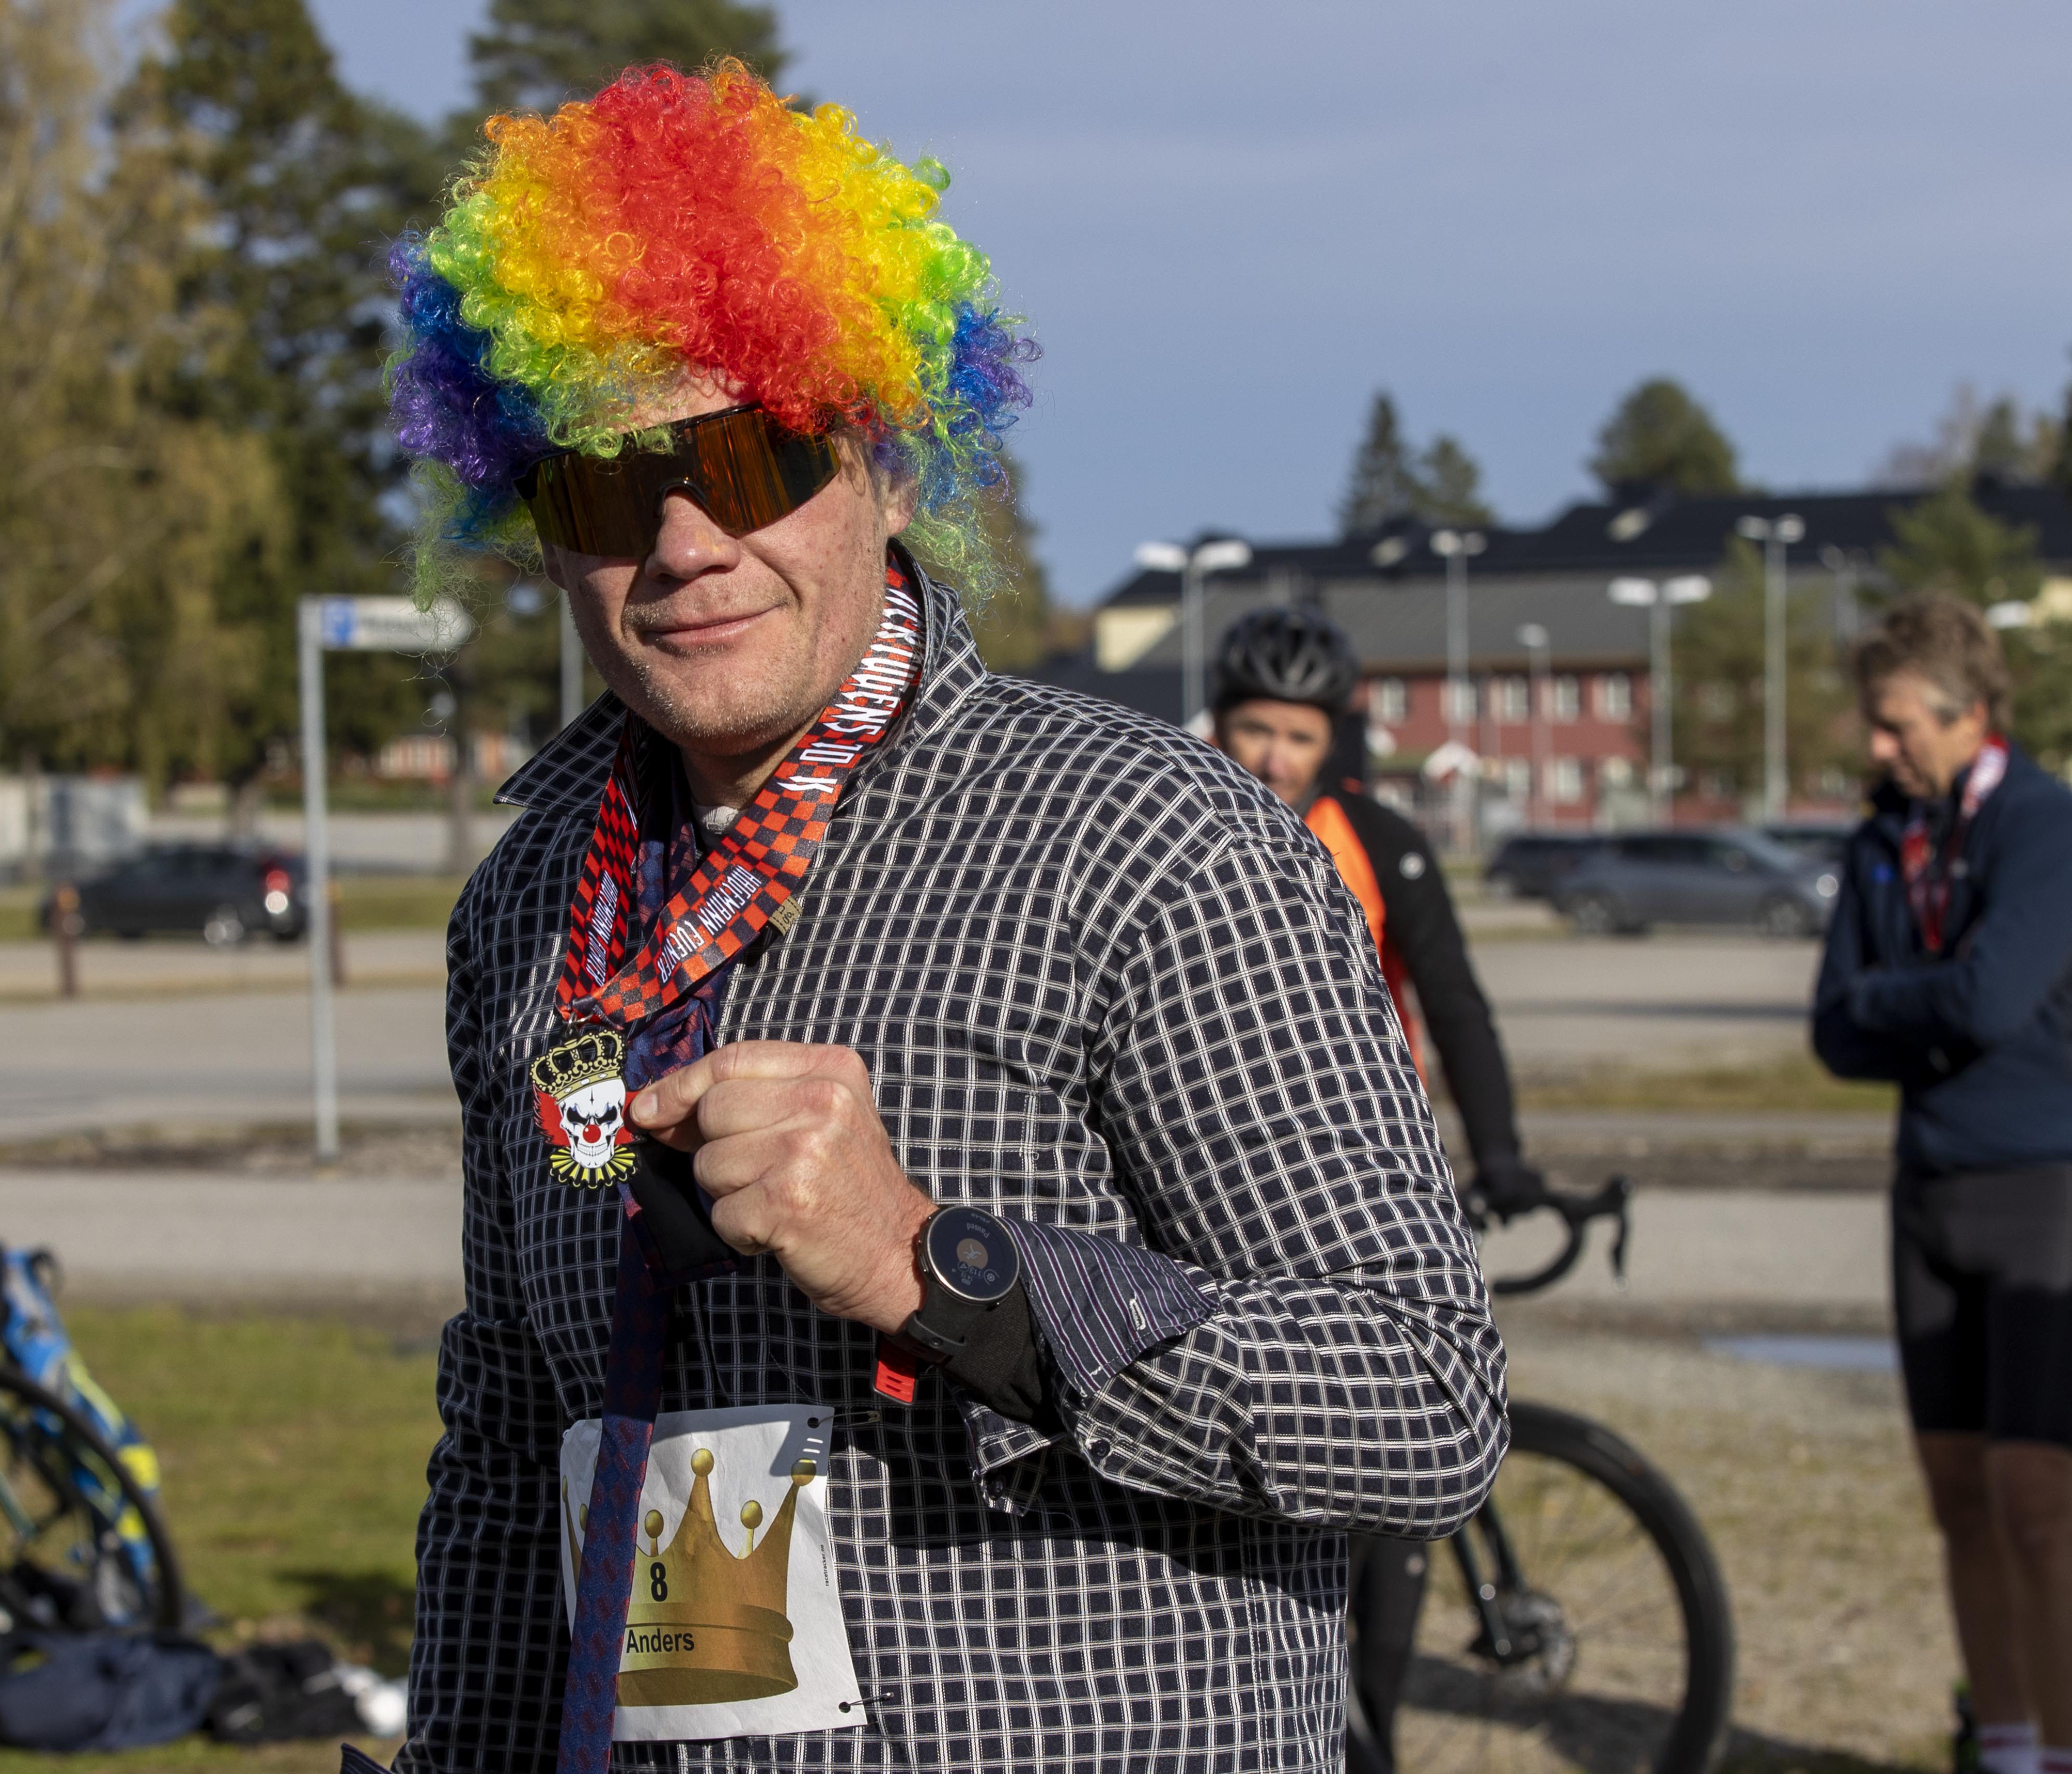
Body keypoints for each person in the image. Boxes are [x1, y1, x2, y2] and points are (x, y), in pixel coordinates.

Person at [393, 60, 1507, 1772]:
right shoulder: (534, 911)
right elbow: (507, 1429)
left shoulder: (1147, 840)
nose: (685, 541)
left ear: (892, 465)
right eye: (609, 485)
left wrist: (937, 1267)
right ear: (541, 532)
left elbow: (1422, 1397)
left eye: (755, 456)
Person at [1206, 605, 1544, 1766]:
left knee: (1391, 1475)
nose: (1271, 759)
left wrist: (1497, 1156)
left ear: (1331, 741)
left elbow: (1455, 1002)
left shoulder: (1381, 843)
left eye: (1297, 737)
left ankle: (1374, 1735)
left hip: (1371, 1179)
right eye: (1252, 729)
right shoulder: (1170, 825)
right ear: (1220, 723)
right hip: (1213, 1185)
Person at [1813, 593, 2072, 1774]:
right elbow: (1833, 1026)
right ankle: (2006, 1745)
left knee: (2038, 1500)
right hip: (1925, 1189)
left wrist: (1896, 997)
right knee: (1956, 1495)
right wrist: (1911, 1000)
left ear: (1969, 715)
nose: (1877, 747)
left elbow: (1991, 997)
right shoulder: (1879, 838)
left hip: (2042, 1190)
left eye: (1895, 724)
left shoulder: (2042, 825)